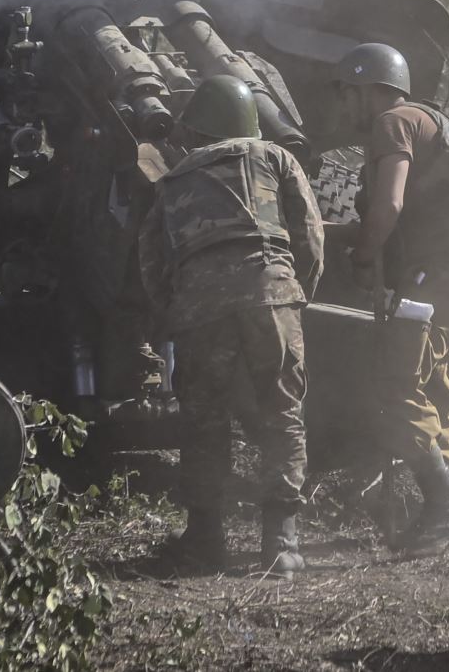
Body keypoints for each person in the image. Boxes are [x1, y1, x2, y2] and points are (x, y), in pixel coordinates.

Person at [138, 75, 323, 580]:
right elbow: (309, 232)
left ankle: (204, 541)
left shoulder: (171, 180)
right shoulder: (273, 156)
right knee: (282, 412)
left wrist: (175, 310)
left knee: (204, 421)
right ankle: (281, 545)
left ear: (196, 129)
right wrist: (294, 291)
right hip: (270, 293)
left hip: (199, 309)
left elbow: (150, 261)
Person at [327, 42, 449, 552]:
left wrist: (363, 258)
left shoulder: (393, 122)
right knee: (436, 385)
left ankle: (446, 508)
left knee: (396, 383)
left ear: (368, 88)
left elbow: (388, 207)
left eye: (347, 94)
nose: (344, 106)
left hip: (443, 273)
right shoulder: (429, 120)